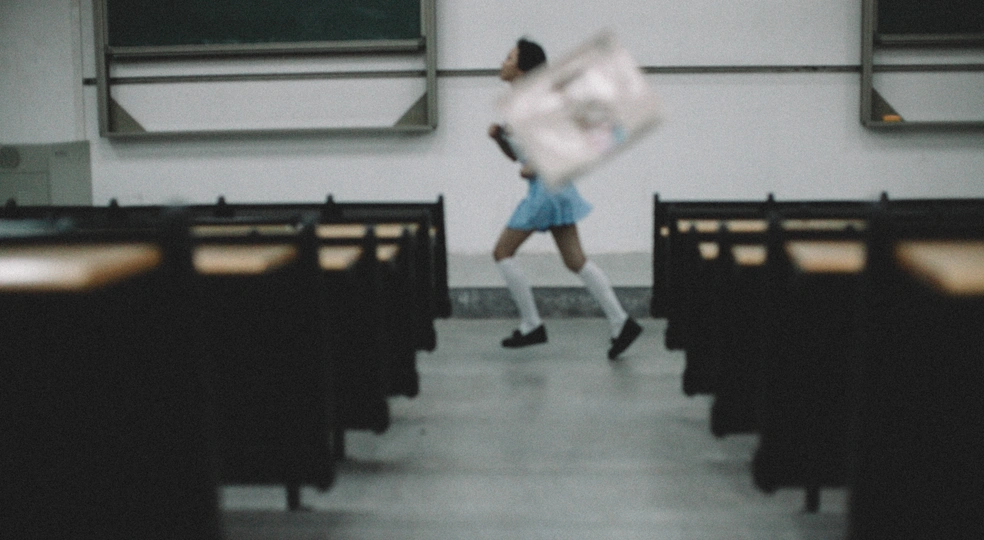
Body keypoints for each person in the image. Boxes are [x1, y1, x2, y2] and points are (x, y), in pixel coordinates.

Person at [489, 38, 642, 360]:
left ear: (522, 69)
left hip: (546, 191)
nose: (503, 62)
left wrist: (537, 165)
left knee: (502, 252)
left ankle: (532, 325)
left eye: (509, 57)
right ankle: (621, 321)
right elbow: (519, 156)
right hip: (554, 189)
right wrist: (500, 140)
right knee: (575, 261)